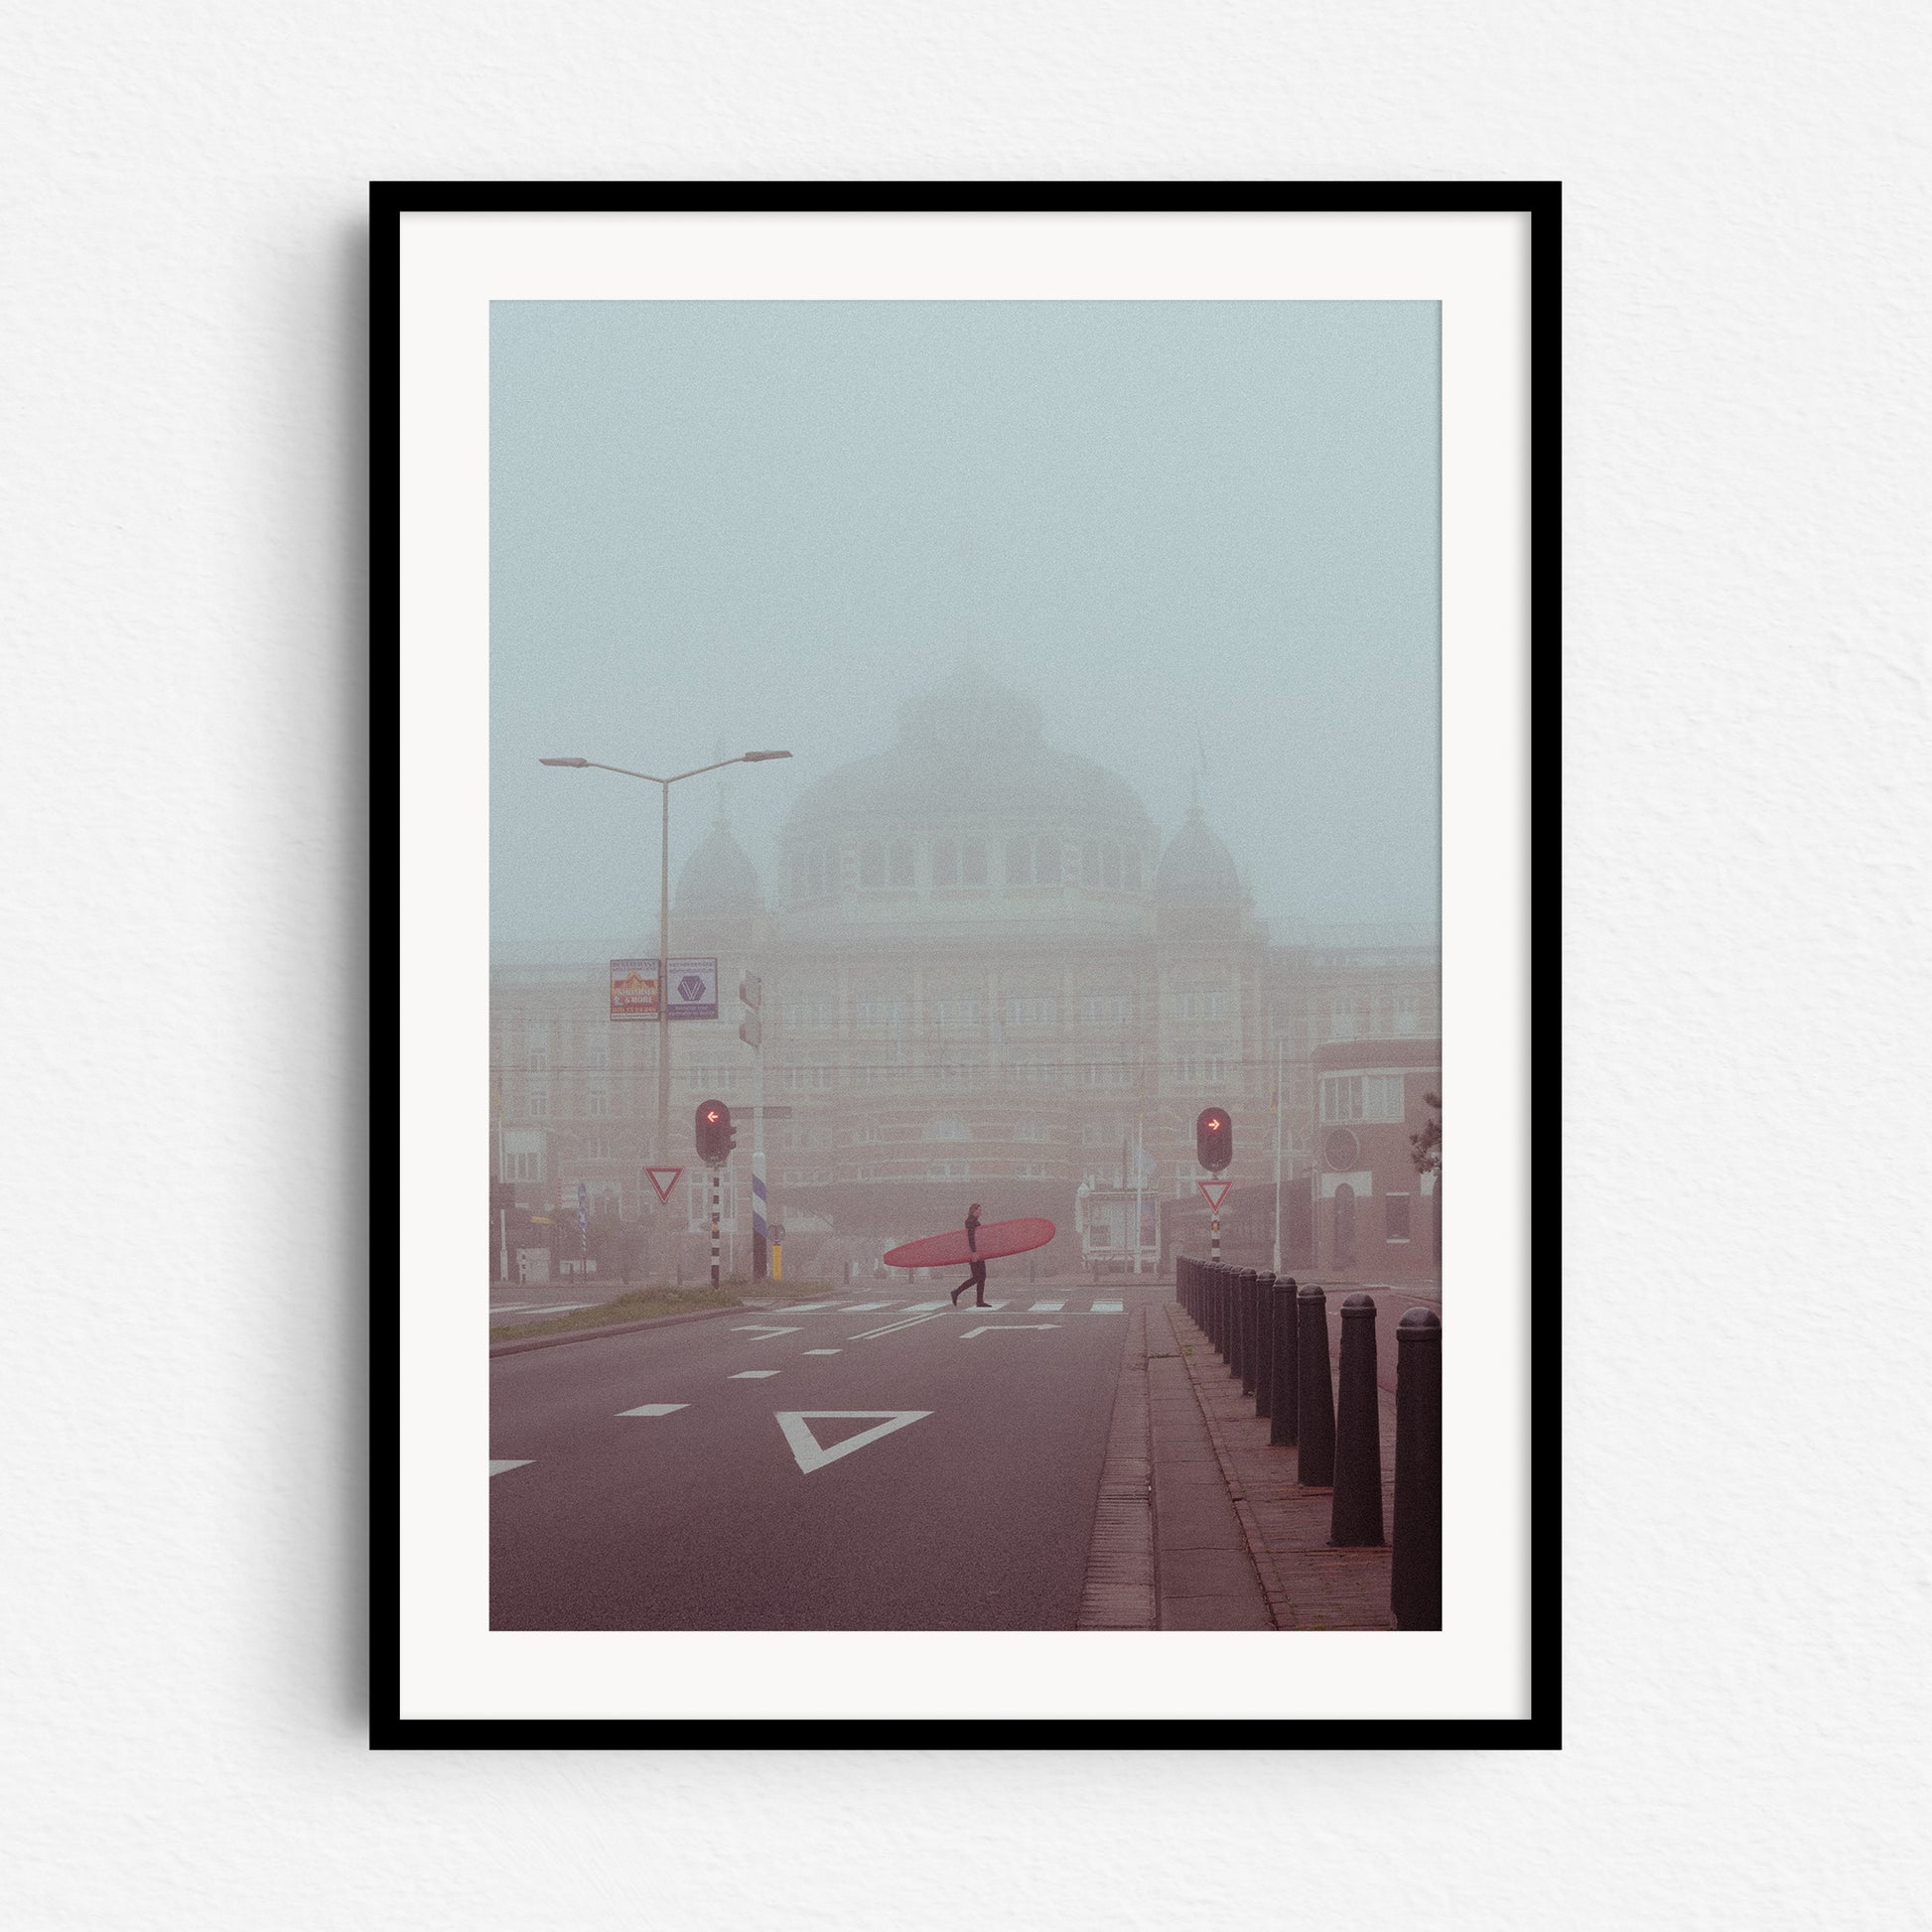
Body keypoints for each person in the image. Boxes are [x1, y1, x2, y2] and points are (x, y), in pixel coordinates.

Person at [950, 1201, 990, 1308]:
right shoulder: (970, 1221)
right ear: (973, 1210)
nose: (981, 1212)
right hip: (974, 1253)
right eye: (979, 1210)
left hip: (978, 1252)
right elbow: (971, 1237)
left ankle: (979, 1301)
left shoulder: (975, 1221)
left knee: (982, 1276)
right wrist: (974, 1252)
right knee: (977, 1277)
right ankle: (956, 1292)